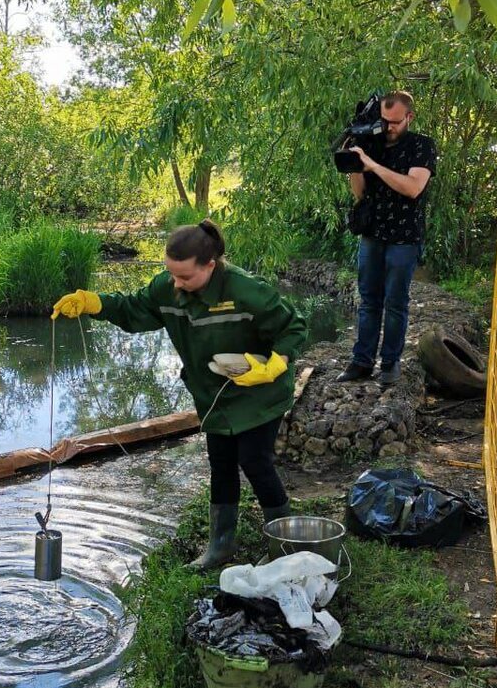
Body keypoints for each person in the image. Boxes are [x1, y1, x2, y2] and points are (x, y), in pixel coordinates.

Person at [51, 220, 308, 569]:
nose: (176, 283)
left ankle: (285, 546)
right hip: (213, 393)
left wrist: (277, 364)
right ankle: (220, 546)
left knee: (255, 461)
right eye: (171, 274)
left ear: (210, 266)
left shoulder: (246, 290)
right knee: (220, 463)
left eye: (185, 276)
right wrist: (93, 303)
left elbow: (292, 325)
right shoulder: (168, 288)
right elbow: (132, 309)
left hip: (259, 391)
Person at [338, 90, 437, 384]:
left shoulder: (422, 146)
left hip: (404, 236)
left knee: (395, 302)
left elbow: (412, 188)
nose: (389, 127)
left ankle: (390, 363)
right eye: (384, 120)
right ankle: (361, 362)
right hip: (372, 233)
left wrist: (373, 165)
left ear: (409, 117)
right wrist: (355, 164)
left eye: (395, 122)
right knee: (368, 301)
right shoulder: (371, 144)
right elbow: (360, 194)